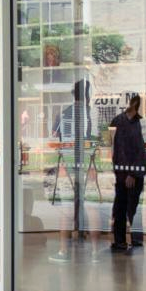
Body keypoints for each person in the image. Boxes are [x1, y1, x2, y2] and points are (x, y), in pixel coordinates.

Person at [49, 79, 92, 263]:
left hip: (67, 165)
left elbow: (54, 138)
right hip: (86, 166)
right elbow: (93, 141)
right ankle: (90, 248)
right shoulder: (90, 114)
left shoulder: (64, 113)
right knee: (86, 204)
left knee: (67, 208)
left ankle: (63, 251)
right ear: (87, 95)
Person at [110, 94, 146, 251]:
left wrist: (133, 173)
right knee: (121, 207)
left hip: (133, 173)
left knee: (133, 207)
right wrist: (127, 173)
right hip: (124, 174)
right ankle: (120, 241)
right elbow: (116, 148)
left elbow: (142, 150)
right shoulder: (118, 121)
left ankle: (135, 239)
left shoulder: (141, 123)